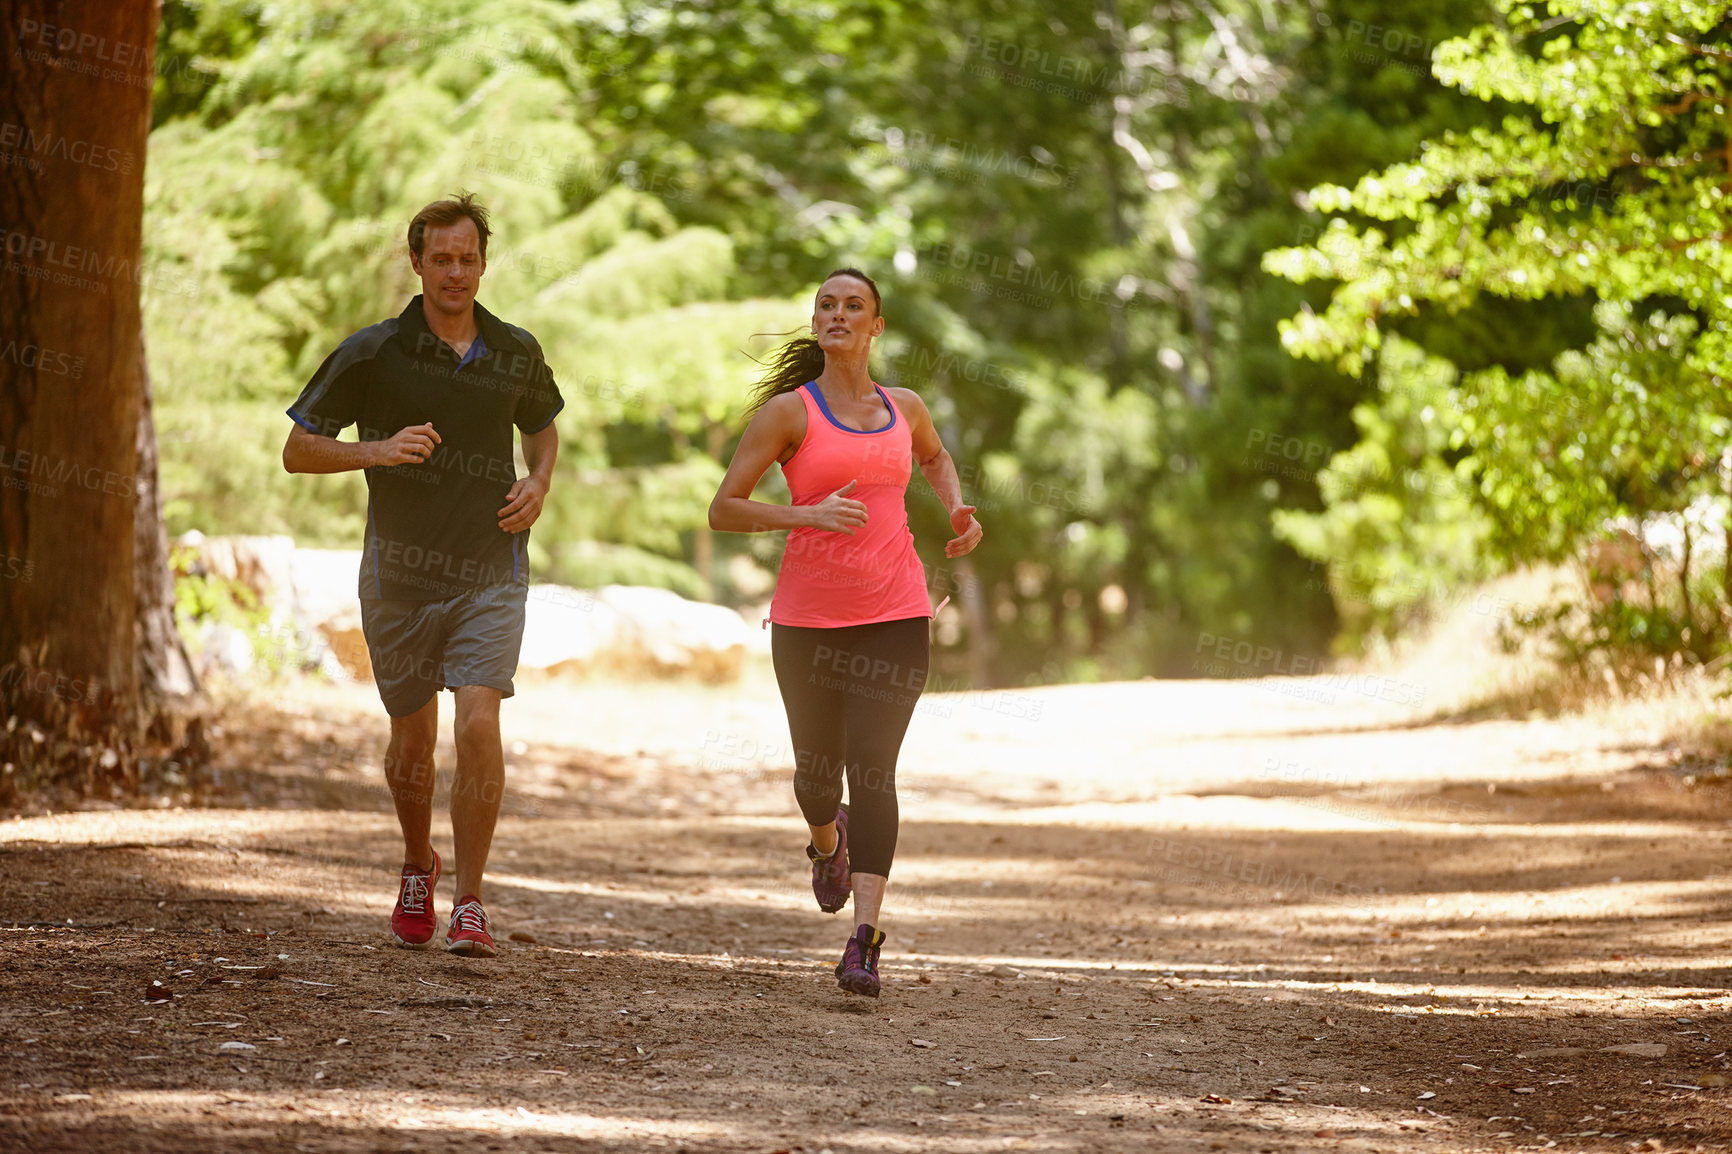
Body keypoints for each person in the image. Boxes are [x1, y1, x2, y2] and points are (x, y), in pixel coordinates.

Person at [281, 192, 563, 958]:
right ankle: (417, 864)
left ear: (482, 262)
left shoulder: (514, 349)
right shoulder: (373, 351)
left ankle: (470, 899)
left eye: (468, 258)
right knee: (412, 738)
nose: (455, 272)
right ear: (416, 261)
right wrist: (374, 450)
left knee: (478, 720)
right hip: (400, 573)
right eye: (440, 258)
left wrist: (539, 484)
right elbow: (299, 449)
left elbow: (543, 433)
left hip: (490, 567)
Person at [708, 267, 983, 996]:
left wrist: (957, 509)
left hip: (897, 612)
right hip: (808, 623)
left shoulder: (906, 407)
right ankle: (826, 843)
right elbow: (724, 509)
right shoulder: (787, 415)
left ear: (875, 326)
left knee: (873, 770)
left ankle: (864, 940)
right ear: (816, 321)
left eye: (852, 306)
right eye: (826, 304)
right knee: (816, 776)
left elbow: (934, 455)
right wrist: (807, 515)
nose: (837, 314)